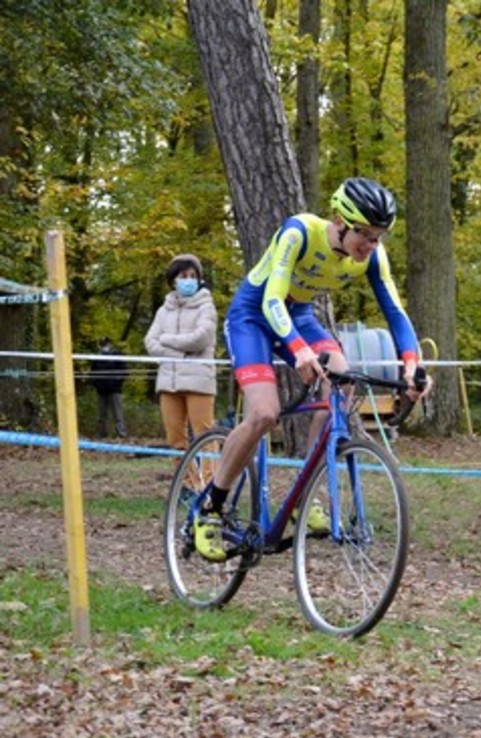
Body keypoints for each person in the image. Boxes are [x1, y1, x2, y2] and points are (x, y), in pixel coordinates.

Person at [195, 178, 427, 562]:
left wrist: (412, 367)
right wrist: (298, 350)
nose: (370, 245)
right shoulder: (299, 232)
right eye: (364, 234)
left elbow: (396, 313)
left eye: (378, 237)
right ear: (339, 221)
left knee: (343, 379)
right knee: (264, 414)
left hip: (299, 316)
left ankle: (306, 493)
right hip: (253, 316)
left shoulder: (372, 257)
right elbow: (271, 299)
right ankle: (211, 507)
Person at [145, 254, 218, 461]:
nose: (189, 280)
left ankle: (212, 481)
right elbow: (150, 342)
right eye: (183, 276)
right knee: (175, 440)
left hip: (199, 382)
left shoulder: (206, 307)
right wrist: (178, 354)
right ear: (173, 281)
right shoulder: (163, 311)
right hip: (168, 382)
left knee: (205, 437)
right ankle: (186, 480)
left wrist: (166, 339)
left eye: (193, 276)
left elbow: (200, 339)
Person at [89, 337, 128, 438]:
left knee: (118, 413)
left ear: (110, 344)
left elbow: (124, 371)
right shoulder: (97, 358)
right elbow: (92, 373)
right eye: (103, 344)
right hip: (101, 390)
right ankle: (102, 433)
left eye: (106, 343)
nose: (105, 346)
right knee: (101, 414)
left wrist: (116, 383)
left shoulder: (117, 356)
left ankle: (121, 433)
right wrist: (97, 384)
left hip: (115, 389)